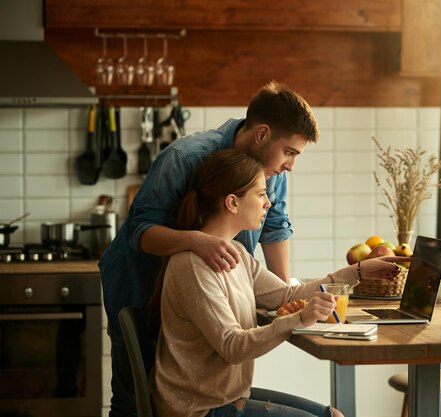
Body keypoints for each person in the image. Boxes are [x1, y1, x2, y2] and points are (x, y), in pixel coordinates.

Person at [99, 81, 320, 417]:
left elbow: (274, 226)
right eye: (289, 152)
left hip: (204, 288)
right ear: (261, 134)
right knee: (134, 399)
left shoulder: (272, 169)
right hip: (141, 283)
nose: (290, 165)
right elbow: (140, 232)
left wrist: (285, 296)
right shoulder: (185, 157)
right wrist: (195, 241)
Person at [150, 149, 409, 417]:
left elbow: (285, 295)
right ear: (232, 203)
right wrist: (299, 318)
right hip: (198, 409)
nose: (268, 203)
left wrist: (358, 271)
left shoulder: (236, 252)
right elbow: (232, 346)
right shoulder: (193, 265)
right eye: (261, 194)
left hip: (223, 397)